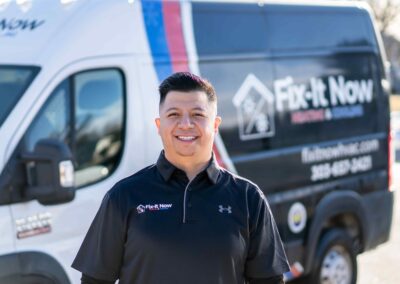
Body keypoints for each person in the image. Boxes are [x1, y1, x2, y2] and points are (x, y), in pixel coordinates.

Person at [72, 72, 290, 284]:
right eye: (174, 114)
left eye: (198, 114)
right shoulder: (123, 196)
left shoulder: (248, 198)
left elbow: (269, 280)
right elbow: (95, 280)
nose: (185, 124)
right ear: (159, 126)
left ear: (215, 125)